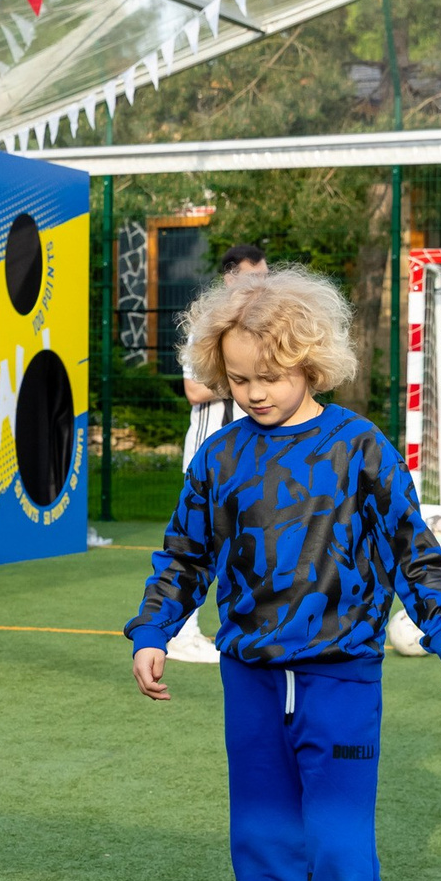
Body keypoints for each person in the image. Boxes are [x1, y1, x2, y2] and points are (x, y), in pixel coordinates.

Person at [125, 267, 441, 881]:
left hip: (339, 680)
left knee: (335, 846)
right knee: (261, 843)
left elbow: (410, 543)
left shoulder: (357, 447)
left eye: (269, 377)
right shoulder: (218, 458)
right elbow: (184, 555)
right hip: (249, 679)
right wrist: (155, 628)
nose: (251, 392)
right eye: (239, 378)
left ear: (311, 364)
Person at [165, 242, 270, 665]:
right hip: (213, 448)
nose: (262, 284)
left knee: (254, 536)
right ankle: (179, 632)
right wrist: (247, 378)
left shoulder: (260, 322)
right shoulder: (209, 321)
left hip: (253, 448)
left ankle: (250, 625)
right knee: (199, 540)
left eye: (266, 276)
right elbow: (194, 389)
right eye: (254, 277)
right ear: (231, 277)